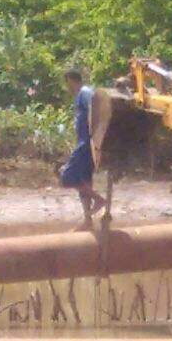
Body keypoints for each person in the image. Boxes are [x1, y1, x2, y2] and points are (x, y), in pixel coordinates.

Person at [59, 69, 106, 228]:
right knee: (84, 180)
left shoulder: (84, 93)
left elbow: (96, 108)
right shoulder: (80, 95)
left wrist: (95, 137)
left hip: (86, 143)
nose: (67, 88)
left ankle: (99, 200)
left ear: (71, 81)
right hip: (83, 141)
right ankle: (88, 220)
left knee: (67, 176)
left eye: (67, 83)